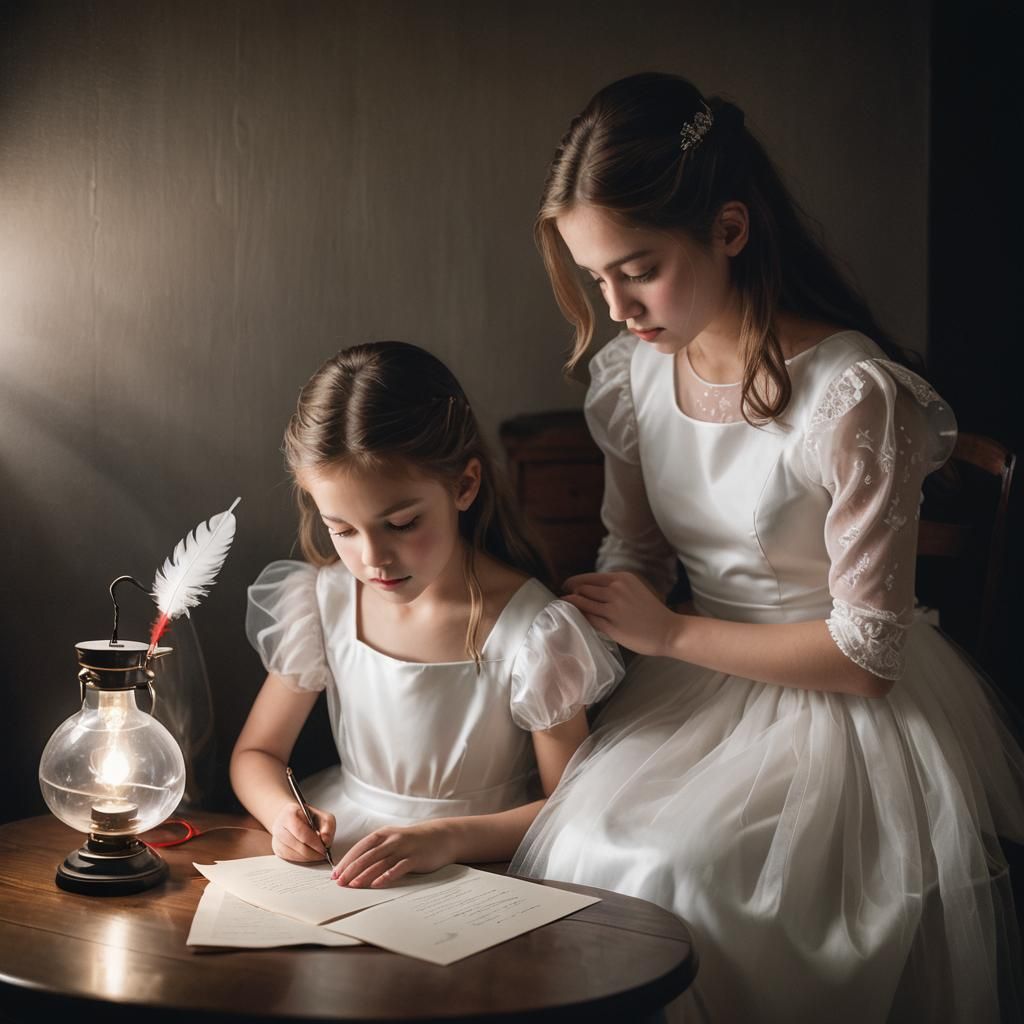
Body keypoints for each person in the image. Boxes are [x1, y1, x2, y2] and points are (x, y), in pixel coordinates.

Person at [508, 72, 1024, 1023]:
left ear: (730, 229)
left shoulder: (852, 394)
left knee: (683, 873)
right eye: (595, 278)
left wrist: (669, 635)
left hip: (838, 711)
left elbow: (867, 658)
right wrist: (561, 634)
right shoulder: (633, 377)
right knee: (593, 849)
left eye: (638, 269)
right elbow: (635, 555)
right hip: (693, 685)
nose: (617, 307)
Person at [231, 341, 622, 889]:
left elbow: (567, 807)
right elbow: (256, 753)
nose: (373, 558)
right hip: (342, 856)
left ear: (464, 485)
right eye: (342, 530)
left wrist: (447, 838)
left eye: (402, 524)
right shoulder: (324, 603)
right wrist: (281, 815)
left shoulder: (536, 631)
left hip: (479, 868)